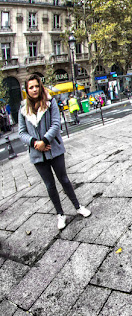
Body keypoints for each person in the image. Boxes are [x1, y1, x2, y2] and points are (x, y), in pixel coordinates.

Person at [18, 75, 91, 230]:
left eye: (36, 86)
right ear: (27, 90)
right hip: (37, 154)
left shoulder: (50, 103)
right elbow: (22, 132)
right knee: (50, 185)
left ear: (40, 86)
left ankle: (78, 207)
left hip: (55, 150)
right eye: (31, 87)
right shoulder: (23, 109)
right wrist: (35, 143)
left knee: (64, 180)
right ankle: (60, 214)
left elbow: (56, 124)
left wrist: (44, 140)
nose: (34, 89)